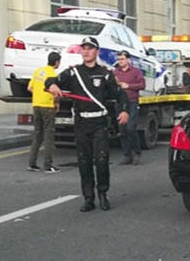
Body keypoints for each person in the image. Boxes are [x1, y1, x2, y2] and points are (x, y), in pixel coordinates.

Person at [46, 36, 129, 212]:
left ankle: (103, 194)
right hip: (82, 123)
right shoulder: (73, 73)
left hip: (99, 122)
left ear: (96, 52)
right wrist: (52, 86)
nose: (86, 51)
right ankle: (88, 198)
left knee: (101, 160)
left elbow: (120, 94)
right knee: (84, 161)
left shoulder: (106, 74)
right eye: (83, 48)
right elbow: (51, 80)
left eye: (90, 48)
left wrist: (124, 110)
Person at [27, 51, 61, 173]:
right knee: (48, 135)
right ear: (57, 62)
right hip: (47, 106)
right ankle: (48, 165)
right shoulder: (53, 74)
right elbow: (55, 93)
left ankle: (32, 163)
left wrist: (38, 95)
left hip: (36, 105)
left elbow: (29, 88)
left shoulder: (38, 71)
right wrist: (56, 103)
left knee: (37, 134)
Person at [113, 50, 145, 166]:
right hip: (119, 104)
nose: (120, 61)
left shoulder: (136, 72)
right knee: (122, 130)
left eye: (122, 59)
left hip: (132, 102)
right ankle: (127, 155)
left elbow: (142, 85)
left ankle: (137, 152)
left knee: (131, 127)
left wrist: (129, 86)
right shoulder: (115, 72)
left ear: (128, 60)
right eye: (119, 59)